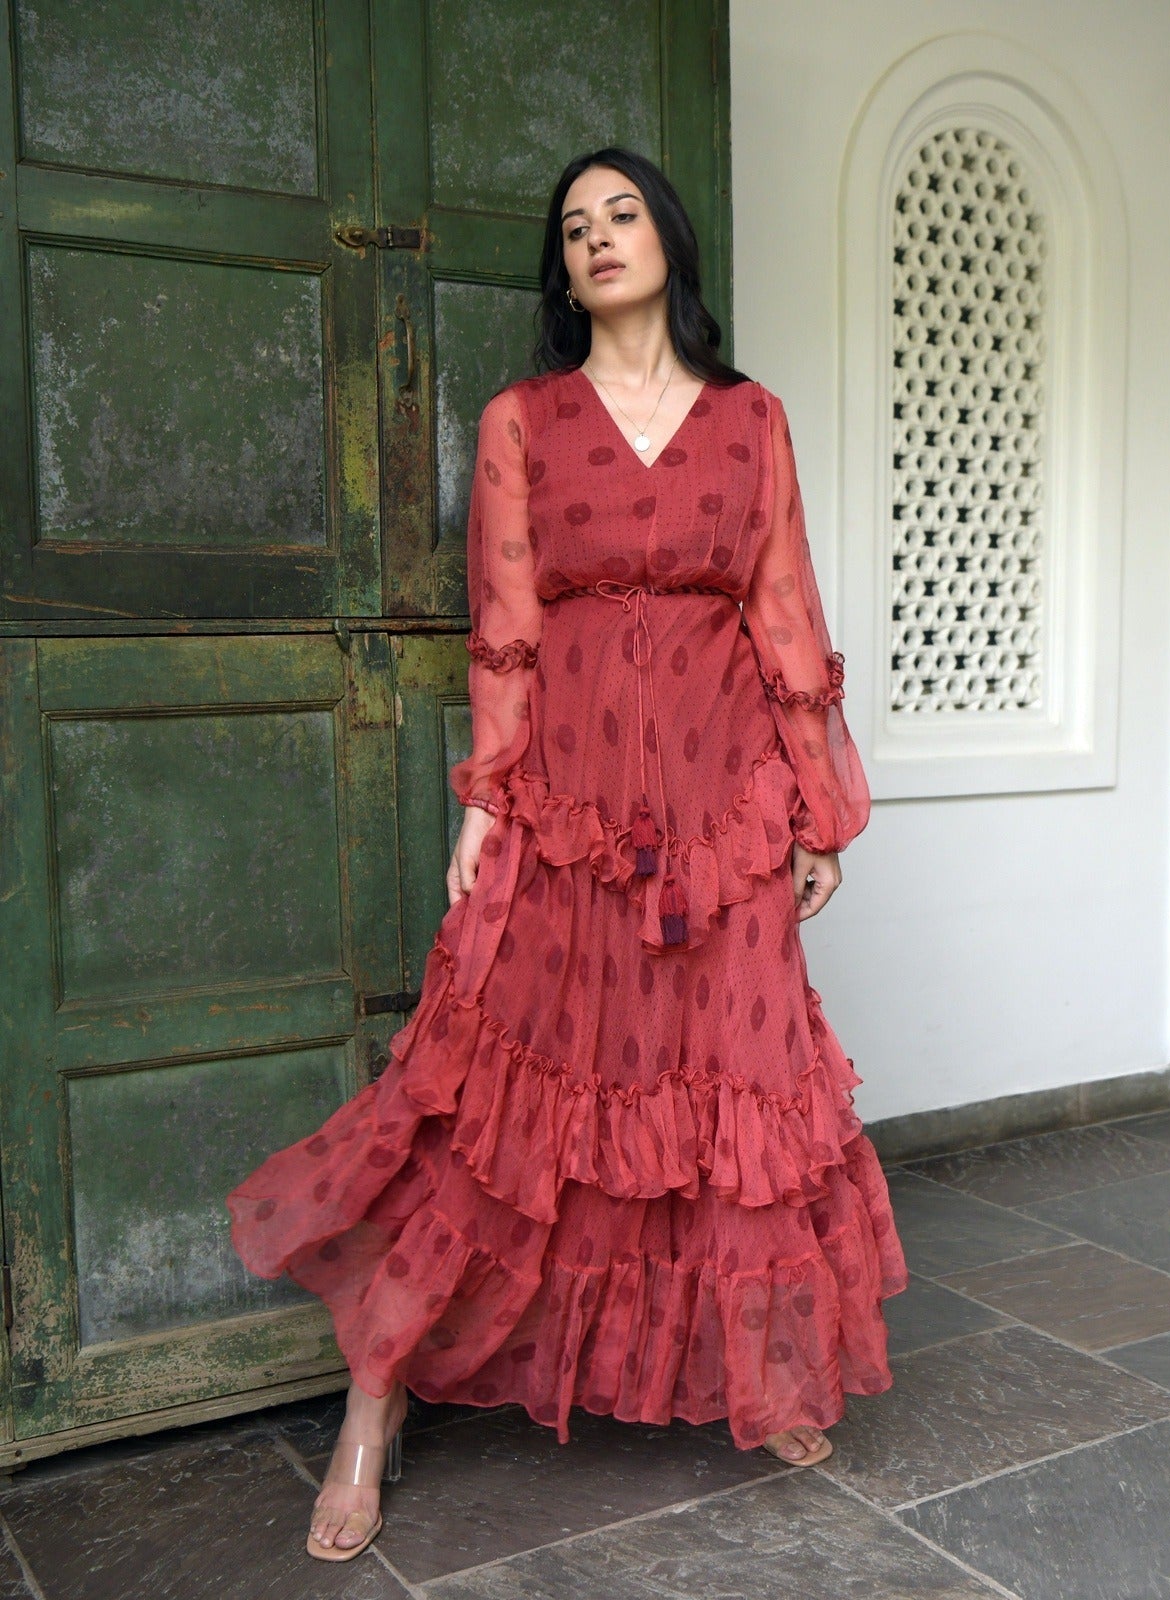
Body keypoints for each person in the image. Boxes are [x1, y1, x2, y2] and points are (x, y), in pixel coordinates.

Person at [227, 144, 907, 1563]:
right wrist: (487, 804)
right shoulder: (522, 421)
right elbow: (505, 624)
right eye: (575, 225)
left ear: (669, 240)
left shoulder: (752, 420)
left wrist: (817, 806)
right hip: (568, 809)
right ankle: (372, 1407)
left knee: (733, 1094)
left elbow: (785, 610)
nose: (598, 237)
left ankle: (766, 1370)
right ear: (565, 268)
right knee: (488, 1107)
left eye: (623, 214)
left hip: (723, 814)